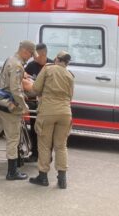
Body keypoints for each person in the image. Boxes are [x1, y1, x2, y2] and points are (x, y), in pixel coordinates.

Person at [0, 40, 36, 180]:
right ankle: (12, 171)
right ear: (25, 51)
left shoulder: (10, 59)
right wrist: (24, 106)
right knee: (13, 138)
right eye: (31, 54)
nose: (31, 57)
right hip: (9, 105)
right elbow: (15, 90)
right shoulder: (17, 65)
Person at [29, 51, 74, 189]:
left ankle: (43, 177)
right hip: (65, 113)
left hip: (48, 111)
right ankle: (62, 179)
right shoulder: (70, 75)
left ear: (56, 59)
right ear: (67, 62)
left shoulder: (48, 69)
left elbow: (35, 89)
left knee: (44, 145)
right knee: (61, 146)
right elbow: (70, 97)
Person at [24, 43, 53, 162]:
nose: (33, 57)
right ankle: (35, 153)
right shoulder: (31, 66)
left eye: (35, 55)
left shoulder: (52, 66)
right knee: (35, 129)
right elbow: (24, 80)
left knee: (47, 132)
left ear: (43, 54)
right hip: (34, 104)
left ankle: (47, 156)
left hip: (48, 104)